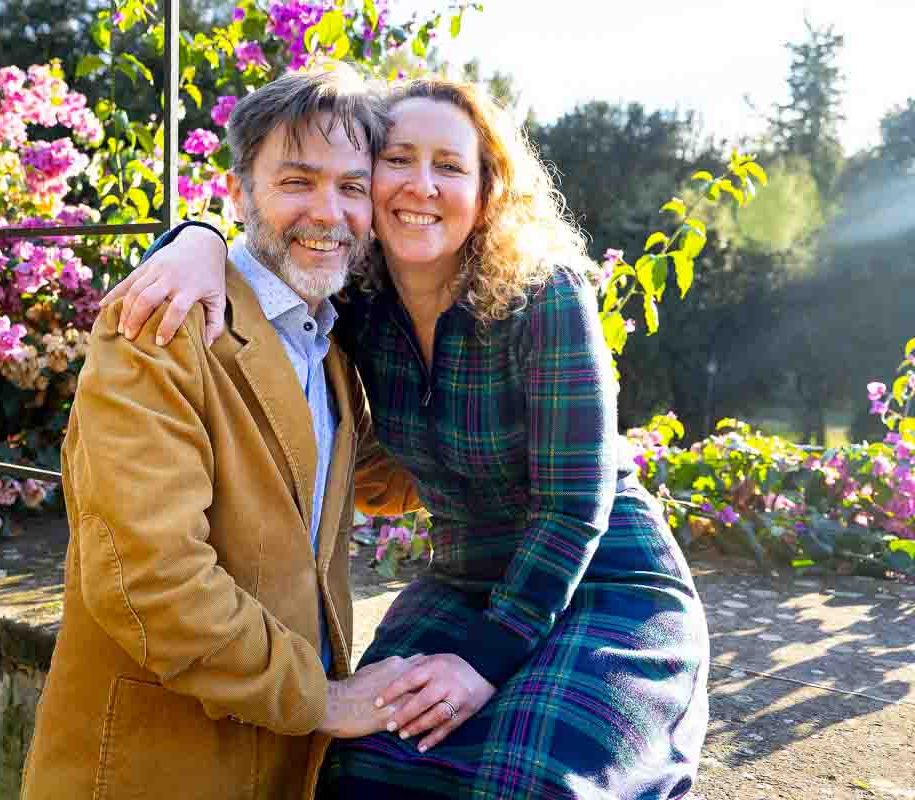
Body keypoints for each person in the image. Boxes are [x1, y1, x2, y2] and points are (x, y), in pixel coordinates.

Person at [105, 76, 710, 799]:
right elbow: (263, 244)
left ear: (487, 192)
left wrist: (484, 663)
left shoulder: (544, 296)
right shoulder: (357, 300)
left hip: (599, 581)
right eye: (398, 159)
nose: (420, 185)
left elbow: (573, 506)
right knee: (361, 772)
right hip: (465, 581)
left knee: (528, 782)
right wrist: (191, 238)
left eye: (450, 166)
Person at [19, 66, 428, 800]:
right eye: (296, 181)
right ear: (240, 189)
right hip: (162, 764)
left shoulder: (329, 342)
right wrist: (323, 698)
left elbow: (384, 485)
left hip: (282, 760)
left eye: (352, 187)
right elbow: (151, 581)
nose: (326, 212)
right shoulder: (164, 323)